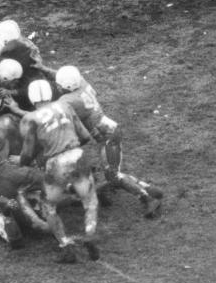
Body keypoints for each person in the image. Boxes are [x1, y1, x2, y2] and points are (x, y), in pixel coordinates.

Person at [55, 65, 163, 219]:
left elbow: (54, 110)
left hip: (108, 138)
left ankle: (148, 198)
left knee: (113, 175)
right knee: (112, 174)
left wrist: (19, 110)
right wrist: (46, 69)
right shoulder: (82, 84)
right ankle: (149, 188)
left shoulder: (67, 101)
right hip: (110, 131)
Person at [20, 79, 99, 264]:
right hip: (77, 155)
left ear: (31, 98)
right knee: (89, 200)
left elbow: (27, 153)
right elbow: (85, 136)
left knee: (48, 206)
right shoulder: (65, 105)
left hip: (56, 164)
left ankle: (65, 246)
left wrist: (22, 162)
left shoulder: (30, 119)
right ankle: (90, 234)